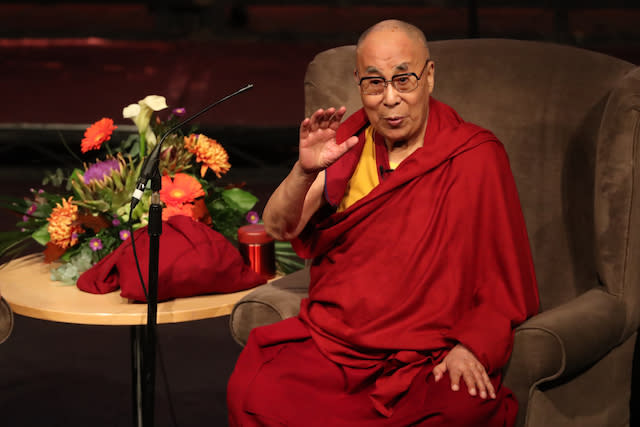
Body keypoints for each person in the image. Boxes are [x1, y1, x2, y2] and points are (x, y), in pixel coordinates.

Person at [227, 19, 539, 426]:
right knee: (256, 388)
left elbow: (503, 281)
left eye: (403, 80)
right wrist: (304, 172)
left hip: (429, 353)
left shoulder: (474, 155)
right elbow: (279, 228)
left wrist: (471, 346)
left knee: (463, 407)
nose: (390, 99)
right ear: (359, 84)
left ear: (429, 77)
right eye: (374, 83)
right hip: (339, 346)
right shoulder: (347, 147)